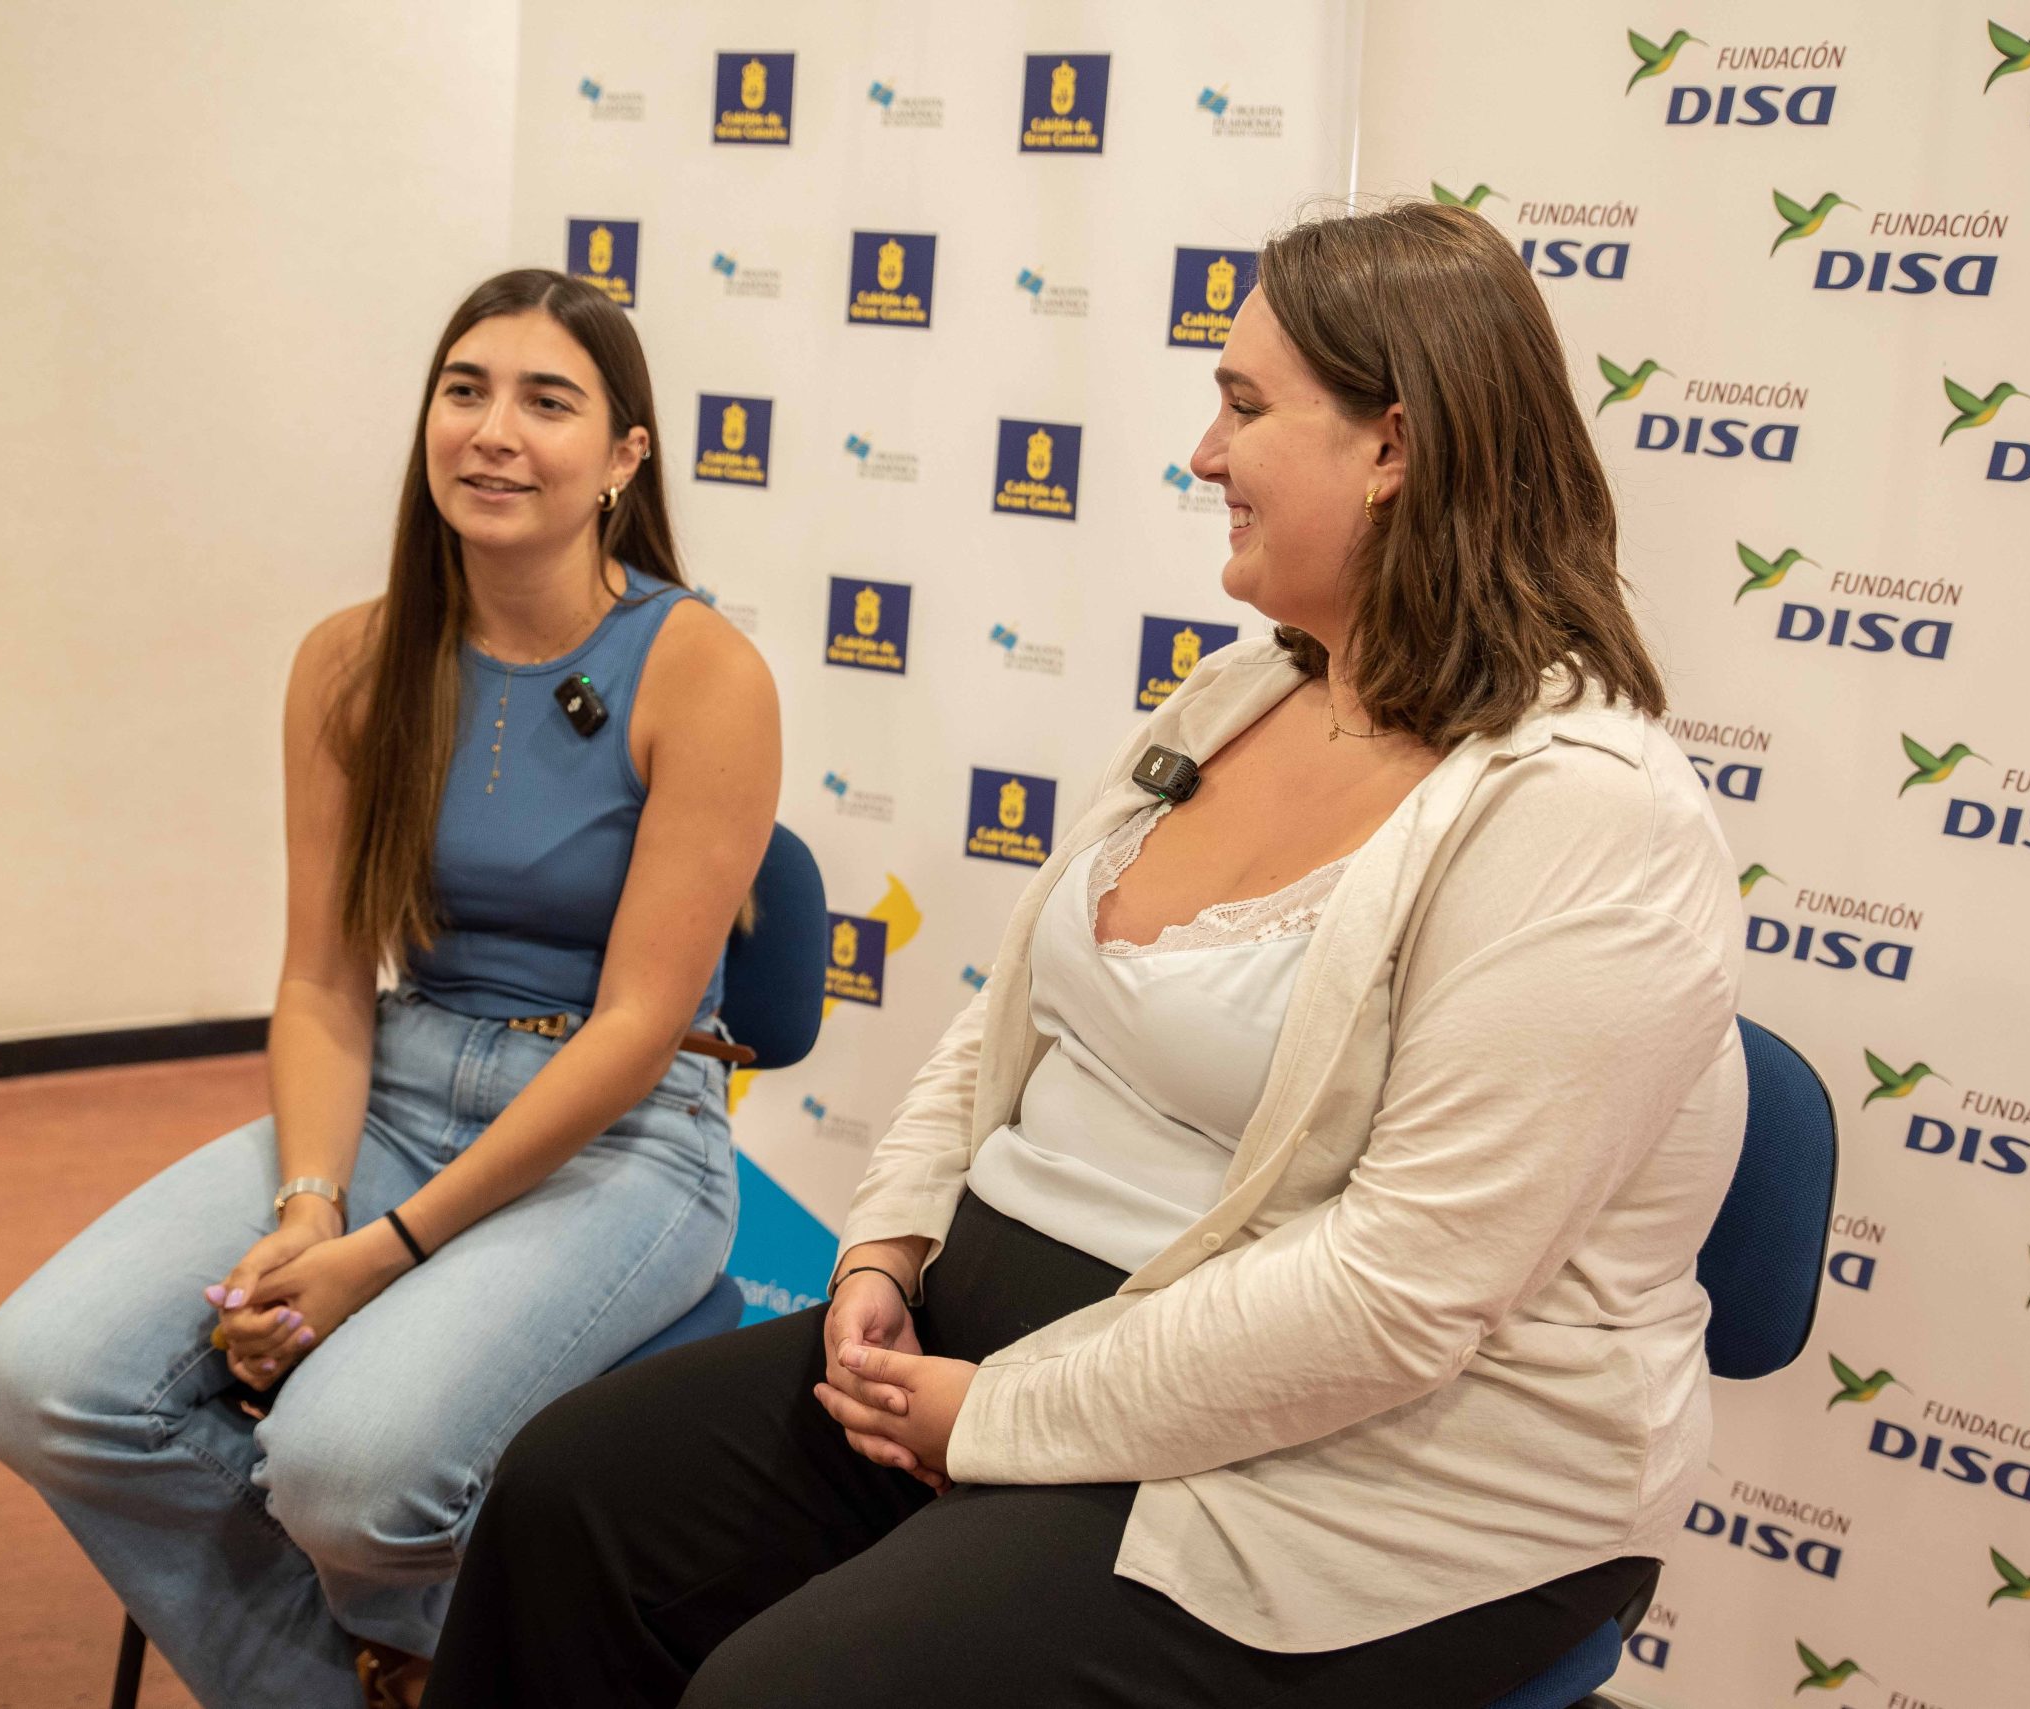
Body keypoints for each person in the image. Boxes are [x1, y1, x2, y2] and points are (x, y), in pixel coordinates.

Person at [423, 200, 1747, 1709]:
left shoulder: (1587, 819)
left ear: (1396, 445)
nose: (1202, 453)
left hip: (1353, 1477)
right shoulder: (1236, 694)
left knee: (794, 1692)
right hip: (991, 1360)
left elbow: (1398, 1301)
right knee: (568, 1498)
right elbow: (1008, 1028)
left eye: (1245, 407)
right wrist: (887, 1247)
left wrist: (994, 1414)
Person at [0, 269, 780, 1709]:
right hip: (399, 1085)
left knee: (344, 1468)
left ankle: (436, 1646)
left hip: (622, 1135)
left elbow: (640, 1030)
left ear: (626, 458)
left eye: (548, 401)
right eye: (464, 390)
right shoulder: (350, 660)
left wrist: (379, 1253)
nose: (492, 431)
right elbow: (324, 978)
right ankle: (376, 1676)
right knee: (39, 1379)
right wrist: (308, 1205)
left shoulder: (703, 670)